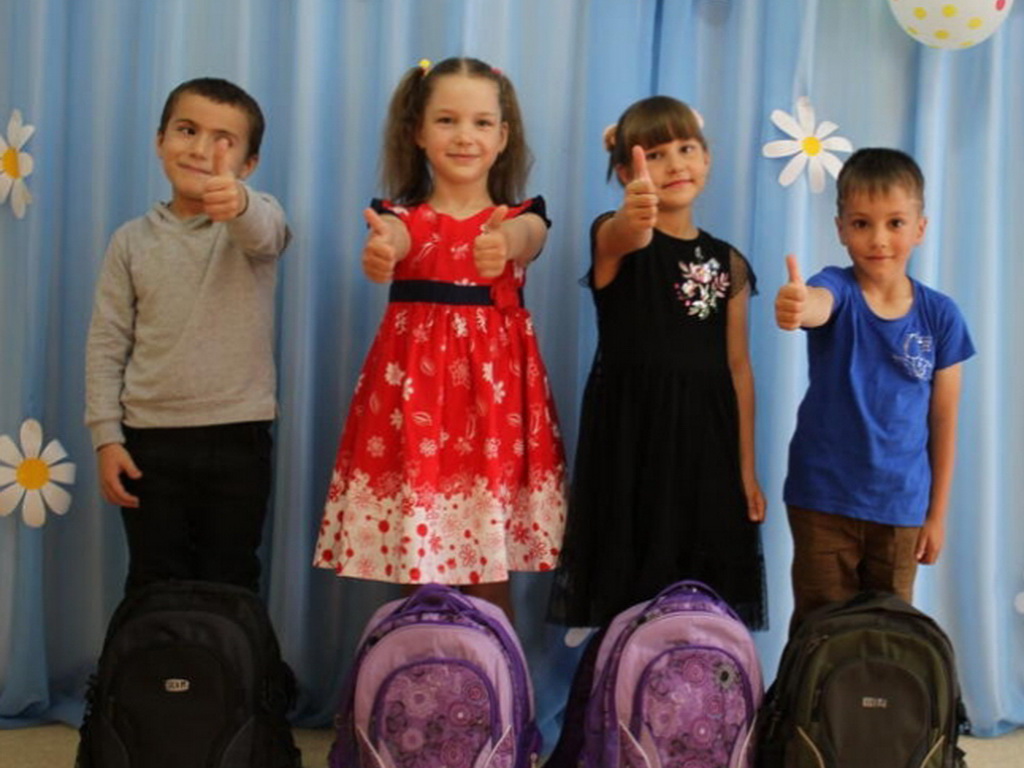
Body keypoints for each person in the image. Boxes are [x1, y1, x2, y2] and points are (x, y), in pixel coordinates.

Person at [313, 57, 566, 619]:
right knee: (418, 559)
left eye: (481, 123)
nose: (464, 136)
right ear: (418, 132)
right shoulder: (399, 218)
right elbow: (394, 238)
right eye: (447, 120)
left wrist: (505, 243)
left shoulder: (522, 216)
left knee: (490, 569)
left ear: (503, 137)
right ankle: (418, 663)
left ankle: (495, 669)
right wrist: (382, 252)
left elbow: (529, 236)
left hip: (493, 415)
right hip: (417, 410)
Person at [548, 96, 767, 631]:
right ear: (627, 172)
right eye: (656, 154)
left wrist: (746, 471)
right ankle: (622, 675)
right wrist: (635, 212)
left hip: (708, 443)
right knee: (632, 578)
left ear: (707, 157)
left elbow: (738, 367)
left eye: (686, 149)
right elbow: (629, 230)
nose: (675, 165)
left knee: (703, 580)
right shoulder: (615, 234)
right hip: (633, 441)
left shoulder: (729, 261)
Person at [85, 77, 290, 594]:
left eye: (224, 140)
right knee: (153, 579)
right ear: (160, 141)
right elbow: (107, 342)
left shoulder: (256, 219)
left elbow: (266, 232)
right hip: (148, 439)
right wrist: (106, 437)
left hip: (238, 434)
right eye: (187, 130)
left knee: (232, 577)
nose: (201, 149)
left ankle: (235, 654)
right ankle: (150, 653)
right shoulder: (130, 241)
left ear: (248, 164)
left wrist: (237, 202)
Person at [775, 147, 975, 632]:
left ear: (920, 228)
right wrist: (799, 305)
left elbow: (944, 420)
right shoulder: (836, 288)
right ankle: (808, 690)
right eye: (862, 224)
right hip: (823, 500)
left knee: (889, 635)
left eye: (895, 223)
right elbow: (817, 304)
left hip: (901, 508)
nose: (879, 239)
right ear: (841, 229)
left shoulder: (941, 316)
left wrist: (936, 515)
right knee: (820, 630)